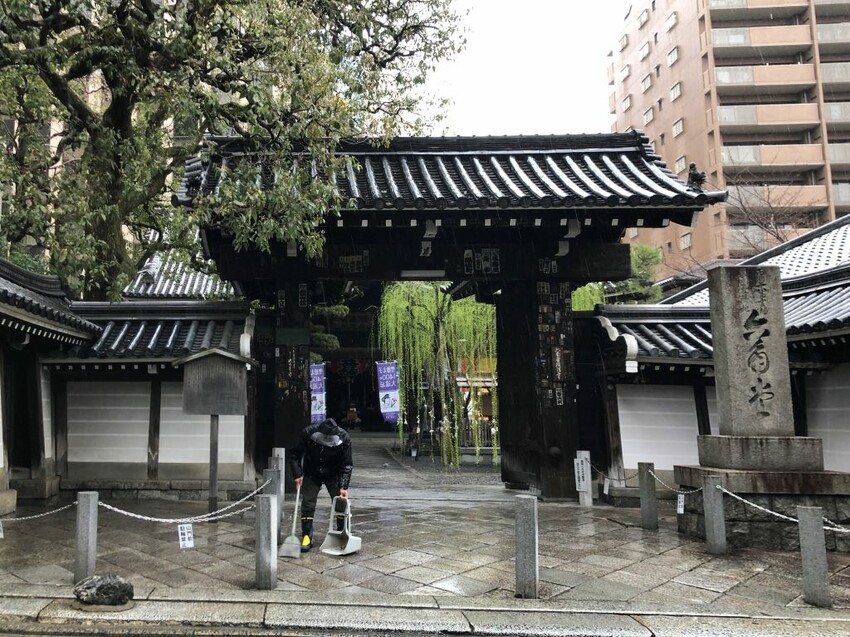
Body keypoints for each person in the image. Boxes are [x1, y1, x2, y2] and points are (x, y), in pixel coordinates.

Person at [287, 417, 353, 553]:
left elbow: (346, 464)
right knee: (308, 503)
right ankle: (307, 535)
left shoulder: (344, 438)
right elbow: (294, 453)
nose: (327, 441)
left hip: (333, 473)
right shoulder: (308, 433)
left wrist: (343, 486)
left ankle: (341, 534)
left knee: (340, 503)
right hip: (312, 471)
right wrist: (297, 474)